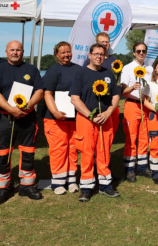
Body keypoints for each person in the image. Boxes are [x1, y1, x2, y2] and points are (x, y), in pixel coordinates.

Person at [0, 41, 44, 205]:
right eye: (12, 50)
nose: (15, 52)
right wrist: (10, 109)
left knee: (28, 151)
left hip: (27, 117)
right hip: (5, 118)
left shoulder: (31, 69)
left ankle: (26, 186)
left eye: (18, 50)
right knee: (3, 153)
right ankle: (2, 189)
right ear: (6, 52)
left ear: (23, 52)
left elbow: (39, 91)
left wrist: (27, 107)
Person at [70, 43, 120, 202]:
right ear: (90, 55)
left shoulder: (109, 74)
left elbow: (115, 96)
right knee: (86, 151)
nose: (99, 56)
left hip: (105, 119)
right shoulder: (81, 73)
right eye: (96, 53)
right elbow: (75, 99)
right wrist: (89, 115)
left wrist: (108, 112)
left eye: (102, 54)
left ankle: (106, 186)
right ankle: (86, 187)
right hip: (86, 119)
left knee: (104, 151)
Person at [42, 42, 81, 195]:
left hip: (74, 117)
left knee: (73, 148)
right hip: (55, 118)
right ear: (56, 54)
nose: (66, 55)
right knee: (59, 148)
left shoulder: (78, 69)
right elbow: (47, 94)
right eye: (63, 52)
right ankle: (58, 182)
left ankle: (71, 180)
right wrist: (55, 111)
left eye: (68, 52)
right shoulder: (53, 71)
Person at [83, 32, 121, 178]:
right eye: (102, 42)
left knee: (108, 137)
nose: (105, 44)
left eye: (107, 42)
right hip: (95, 105)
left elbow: (116, 82)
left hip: (111, 105)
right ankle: (94, 166)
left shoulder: (114, 60)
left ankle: (105, 165)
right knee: (92, 140)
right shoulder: (91, 61)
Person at [120, 42, 153, 182]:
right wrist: (132, 87)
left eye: (143, 51)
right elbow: (123, 91)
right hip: (132, 105)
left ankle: (142, 167)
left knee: (144, 137)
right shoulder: (127, 68)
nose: (141, 53)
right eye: (138, 51)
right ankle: (129, 169)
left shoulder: (150, 69)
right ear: (134, 52)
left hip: (146, 106)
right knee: (132, 138)